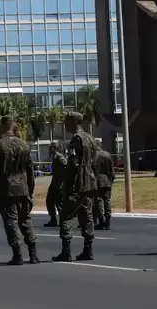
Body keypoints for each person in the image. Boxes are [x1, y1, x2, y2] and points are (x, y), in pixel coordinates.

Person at [0, 116, 39, 265]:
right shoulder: (24, 145)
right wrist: (30, 190)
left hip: (7, 189)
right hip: (23, 188)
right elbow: (30, 171)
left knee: (11, 220)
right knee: (25, 220)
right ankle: (33, 253)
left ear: (4, 126)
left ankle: (17, 254)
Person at [53, 112, 99, 262]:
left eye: (66, 121)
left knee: (67, 215)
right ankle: (88, 250)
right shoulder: (90, 138)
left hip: (76, 183)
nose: (65, 124)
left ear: (74, 122)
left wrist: (67, 181)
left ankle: (66, 252)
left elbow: (72, 163)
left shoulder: (76, 139)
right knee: (87, 216)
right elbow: (94, 161)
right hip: (89, 183)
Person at [93, 147, 115, 230]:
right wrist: (111, 179)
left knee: (98, 201)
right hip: (107, 180)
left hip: (97, 180)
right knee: (107, 200)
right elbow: (111, 169)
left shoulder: (94, 155)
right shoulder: (107, 154)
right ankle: (108, 220)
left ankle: (101, 221)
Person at [44, 143, 65, 227]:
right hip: (54, 183)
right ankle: (53, 220)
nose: (49, 150)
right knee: (49, 201)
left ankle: (63, 220)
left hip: (59, 184)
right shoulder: (55, 157)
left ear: (54, 148)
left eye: (50, 148)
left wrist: (61, 177)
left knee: (59, 203)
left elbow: (66, 167)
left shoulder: (59, 157)